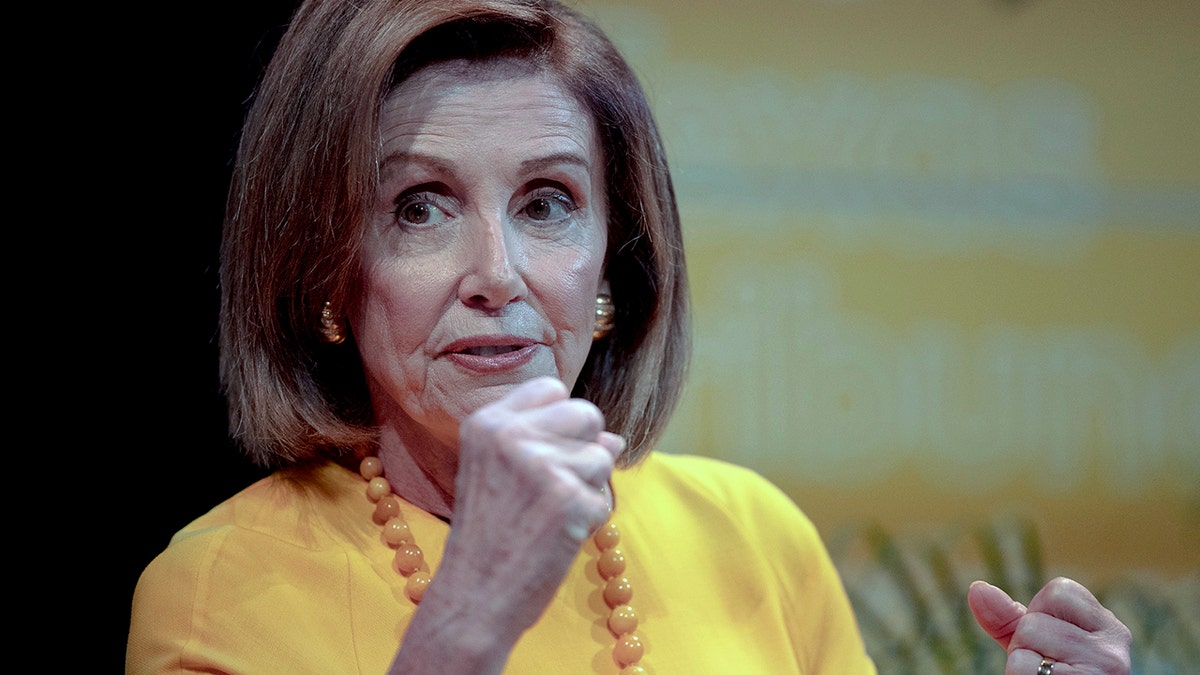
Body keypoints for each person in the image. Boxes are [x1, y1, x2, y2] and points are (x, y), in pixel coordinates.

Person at [126, 1, 1132, 673]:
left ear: (615, 266)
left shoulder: (753, 537)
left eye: (548, 203)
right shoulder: (214, 592)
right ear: (324, 268)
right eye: (421, 208)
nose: (499, 275)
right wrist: (466, 624)